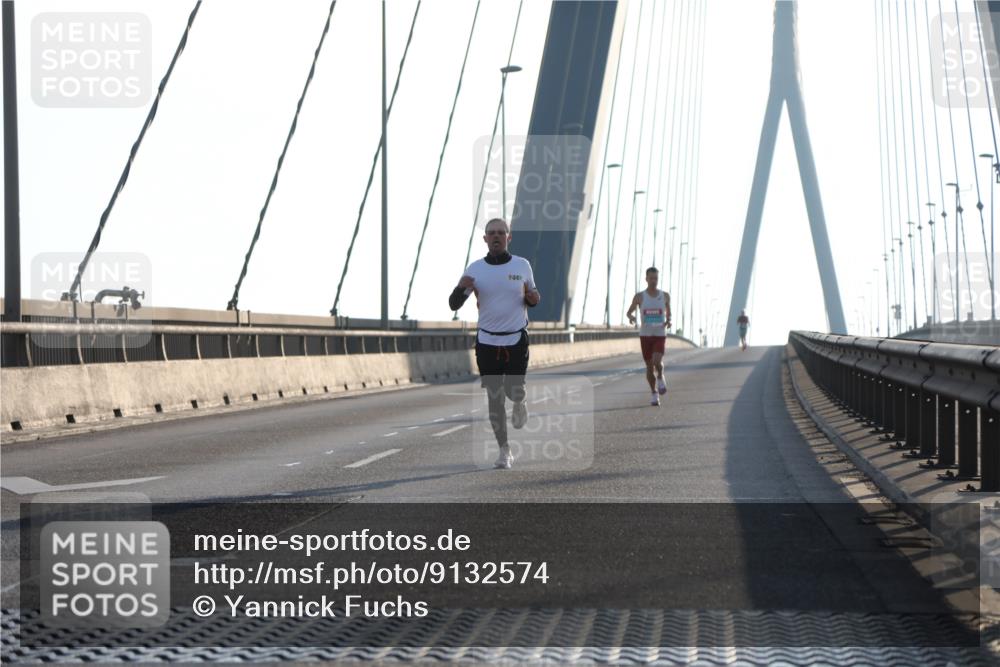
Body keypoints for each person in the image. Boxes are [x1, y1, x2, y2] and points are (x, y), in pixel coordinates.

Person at [449, 218, 540, 469]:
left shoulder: (522, 265)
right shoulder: (476, 269)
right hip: (487, 340)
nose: (496, 236)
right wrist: (460, 288)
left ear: (508, 237)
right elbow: (454, 304)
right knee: (494, 398)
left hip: (516, 338)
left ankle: (520, 401)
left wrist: (533, 298)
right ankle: (504, 450)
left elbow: (533, 297)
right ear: (485, 239)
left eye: (501, 232)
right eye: (492, 233)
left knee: (513, 391)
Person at [626, 267, 671, 407]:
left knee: (657, 361)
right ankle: (654, 393)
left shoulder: (664, 295)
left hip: (659, 334)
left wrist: (668, 320)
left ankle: (660, 375)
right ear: (646, 279)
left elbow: (668, 311)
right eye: (651, 278)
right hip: (645, 335)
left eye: (656, 278)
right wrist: (631, 316)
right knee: (649, 366)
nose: (653, 281)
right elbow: (629, 311)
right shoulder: (640, 296)